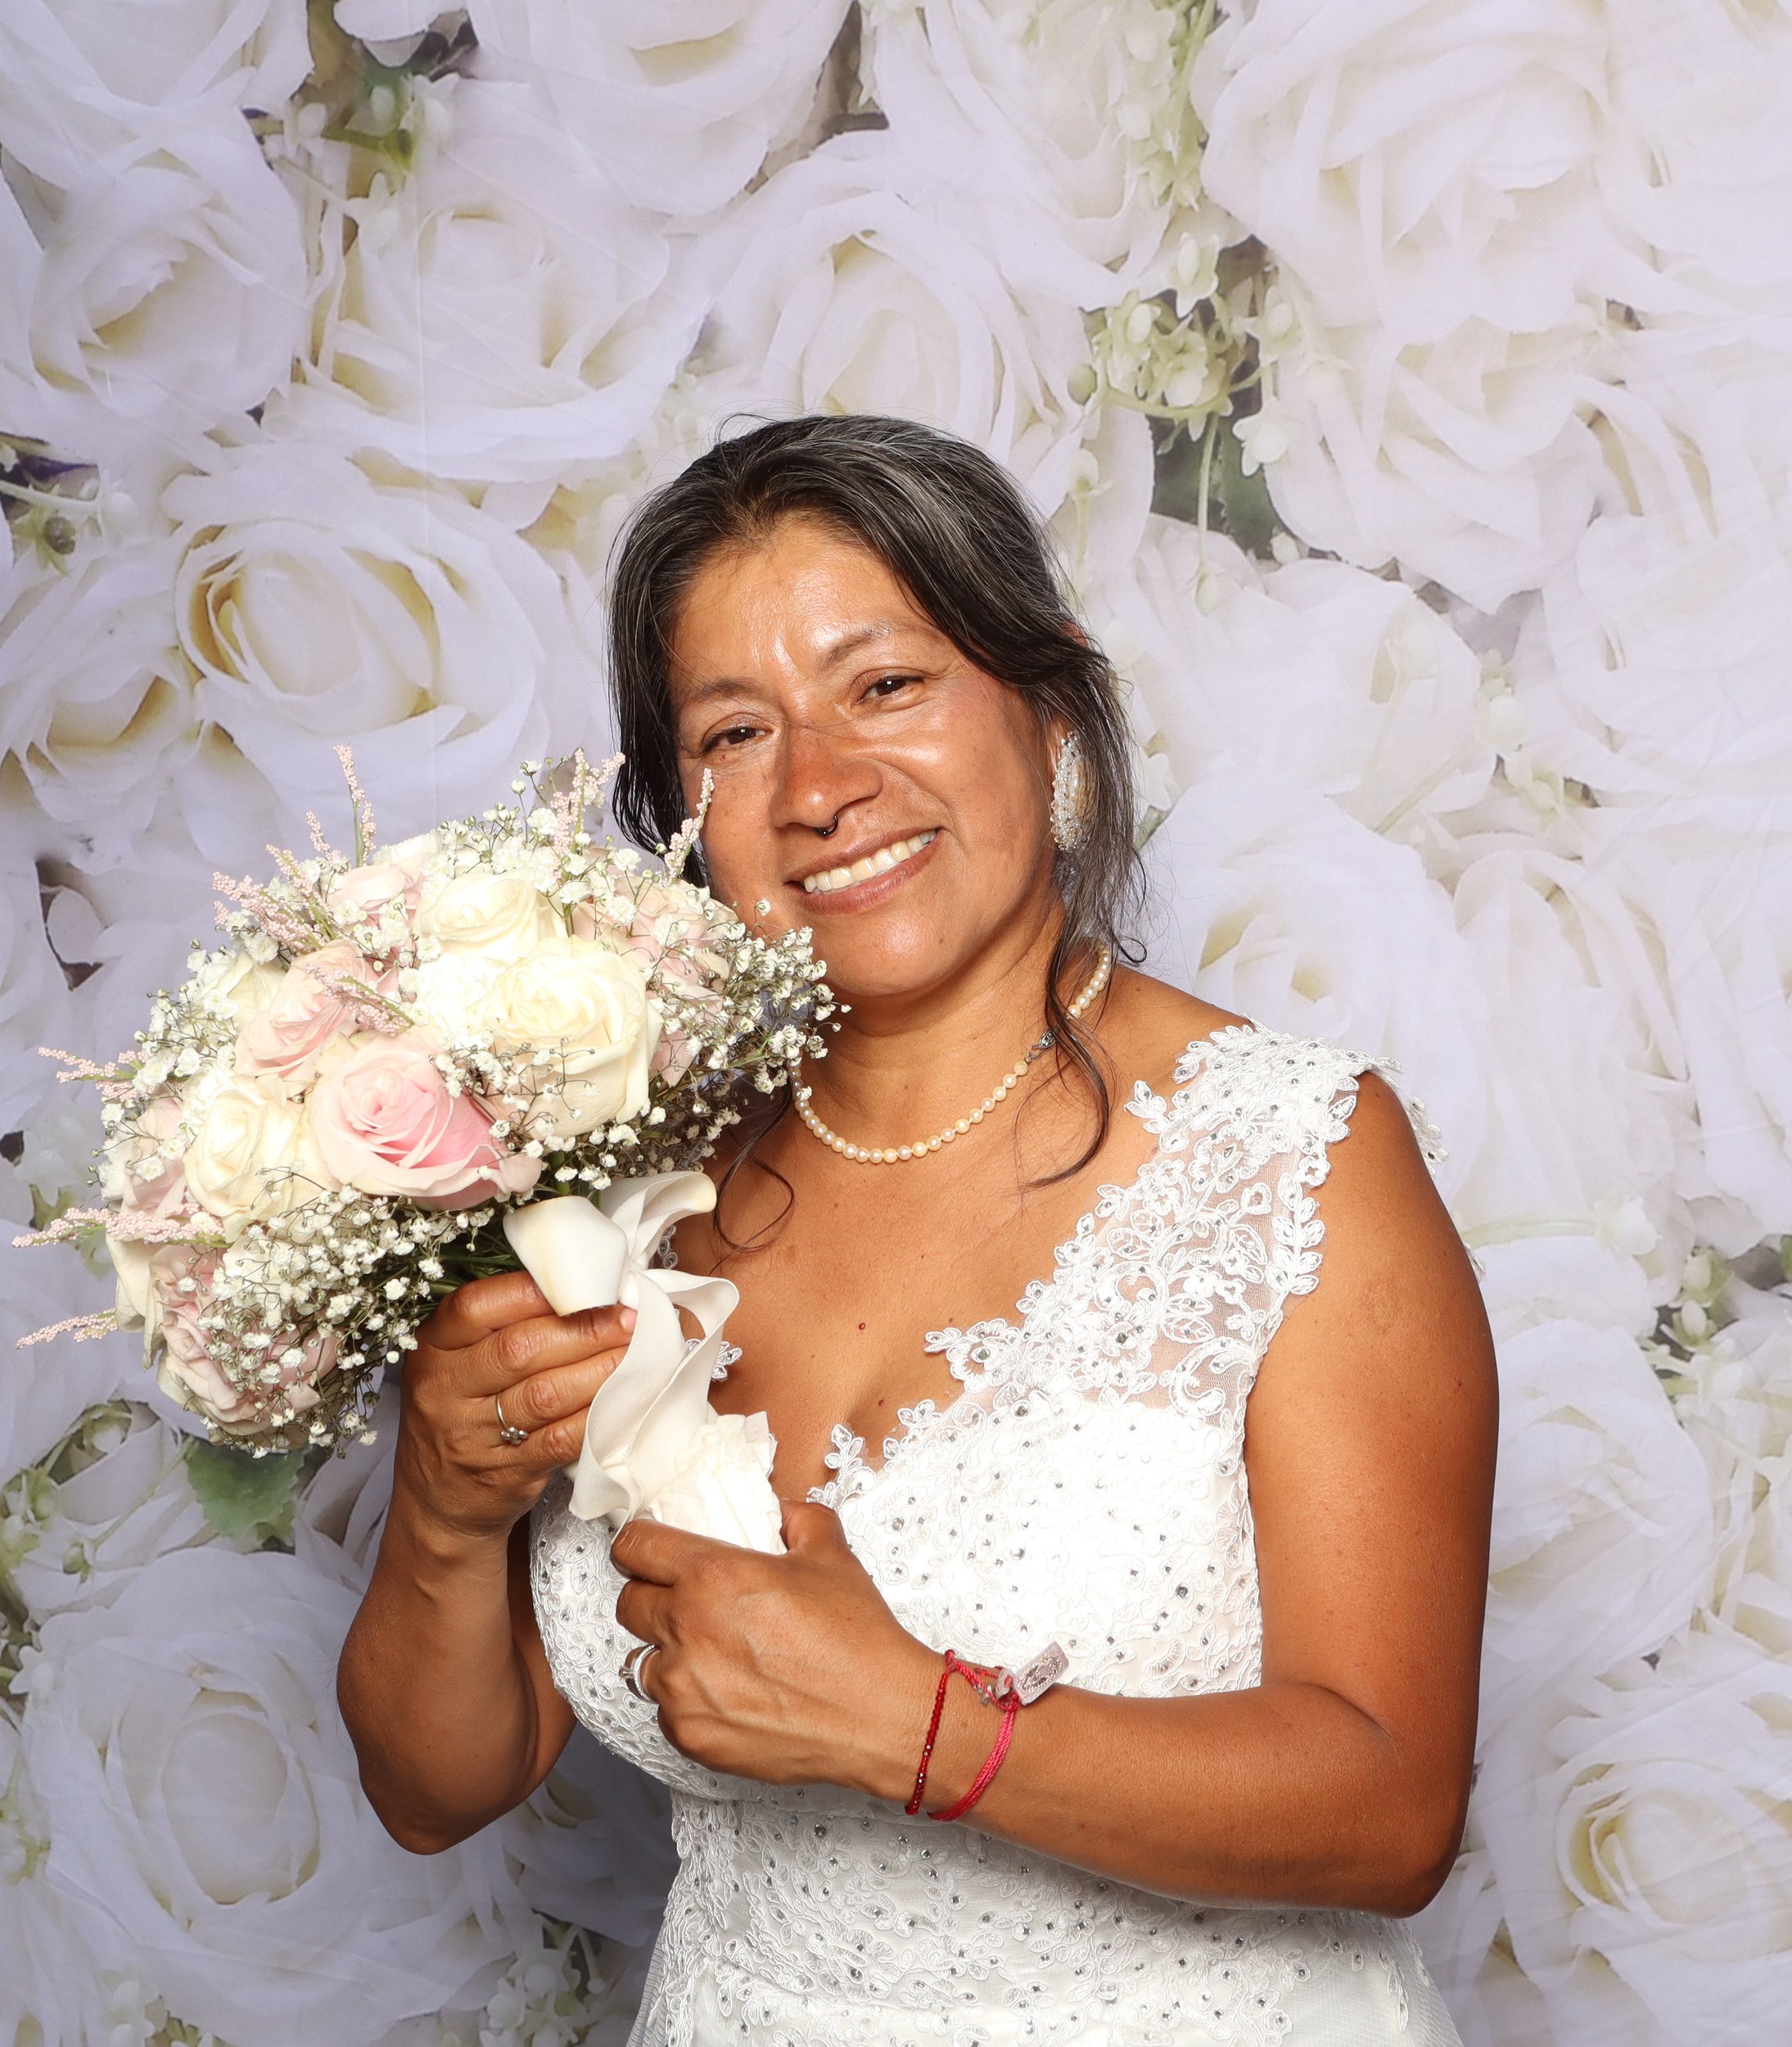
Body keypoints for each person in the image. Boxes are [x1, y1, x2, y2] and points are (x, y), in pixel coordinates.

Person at [338, 413, 1497, 2045]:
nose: (819, 788)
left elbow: (1389, 1811)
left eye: (887, 685)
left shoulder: (1295, 1152)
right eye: (736, 732)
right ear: (680, 810)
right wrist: (442, 1514)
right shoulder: (610, 1188)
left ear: (1045, 706)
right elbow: (430, 1784)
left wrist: (917, 1722)